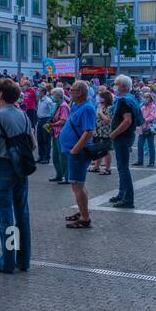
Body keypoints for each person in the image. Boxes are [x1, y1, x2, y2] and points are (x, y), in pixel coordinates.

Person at [0, 78, 32, 273]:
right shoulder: (24, 115)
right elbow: (33, 144)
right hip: (21, 168)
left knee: (6, 217)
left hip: (4, 167)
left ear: (1, 95)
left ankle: (8, 261)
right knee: (23, 215)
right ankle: (24, 260)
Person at [60, 79, 97, 230]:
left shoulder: (87, 108)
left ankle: (85, 218)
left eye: (73, 90)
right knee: (78, 184)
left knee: (77, 185)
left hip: (79, 152)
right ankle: (83, 211)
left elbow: (89, 131)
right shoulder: (76, 105)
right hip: (73, 151)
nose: (70, 92)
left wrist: (75, 149)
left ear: (80, 92)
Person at [107, 75, 139, 209]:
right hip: (124, 137)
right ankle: (122, 194)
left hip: (122, 137)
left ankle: (128, 199)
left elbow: (127, 121)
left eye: (116, 83)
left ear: (124, 86)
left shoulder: (125, 101)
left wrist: (113, 133)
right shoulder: (128, 99)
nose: (114, 86)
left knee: (123, 168)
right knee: (121, 168)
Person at [134, 90, 156, 168]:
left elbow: (152, 116)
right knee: (140, 144)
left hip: (149, 128)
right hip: (142, 128)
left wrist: (143, 120)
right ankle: (140, 160)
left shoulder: (153, 106)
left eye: (146, 97)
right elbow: (139, 115)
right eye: (144, 97)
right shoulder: (143, 106)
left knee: (151, 145)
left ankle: (151, 162)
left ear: (150, 98)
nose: (145, 98)